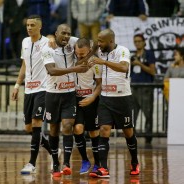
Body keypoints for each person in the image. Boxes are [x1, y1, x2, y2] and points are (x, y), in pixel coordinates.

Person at [90, 29, 140, 177]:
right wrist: (93, 49)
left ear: (111, 41)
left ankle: (135, 162)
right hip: (105, 98)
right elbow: (85, 58)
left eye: (101, 41)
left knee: (128, 132)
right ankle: (103, 168)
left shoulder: (123, 50)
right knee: (104, 130)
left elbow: (124, 67)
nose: (99, 44)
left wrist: (103, 61)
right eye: (98, 40)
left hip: (122, 98)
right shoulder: (99, 52)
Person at [42, 24, 89, 177]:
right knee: (53, 130)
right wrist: (74, 69)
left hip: (69, 94)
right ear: (56, 33)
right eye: (63, 33)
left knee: (67, 126)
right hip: (52, 94)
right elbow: (52, 71)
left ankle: (66, 163)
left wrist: (87, 56)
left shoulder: (72, 42)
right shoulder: (47, 49)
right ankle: (55, 161)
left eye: (69, 33)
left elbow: (90, 44)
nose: (67, 36)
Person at [11, 15, 53, 175]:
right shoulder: (25, 42)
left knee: (36, 123)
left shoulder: (46, 43)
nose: (29, 27)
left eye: (32, 25)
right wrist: (17, 85)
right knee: (28, 127)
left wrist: (52, 39)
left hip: (42, 89)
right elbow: (24, 65)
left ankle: (31, 163)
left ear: (40, 27)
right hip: (28, 89)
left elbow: (55, 41)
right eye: (27, 25)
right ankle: (54, 151)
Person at [73, 38, 102, 175]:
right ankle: (85, 160)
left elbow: (99, 84)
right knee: (78, 129)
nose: (79, 55)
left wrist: (92, 97)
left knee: (94, 132)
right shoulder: (71, 59)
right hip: (76, 99)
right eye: (77, 53)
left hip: (91, 99)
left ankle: (97, 163)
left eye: (82, 54)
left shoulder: (95, 62)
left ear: (89, 51)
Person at [130, 34, 156, 144]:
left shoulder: (149, 54)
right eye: (135, 41)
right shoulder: (133, 55)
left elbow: (153, 71)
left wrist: (139, 64)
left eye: (139, 41)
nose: (137, 43)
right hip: (134, 87)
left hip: (146, 87)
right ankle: (131, 137)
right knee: (132, 114)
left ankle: (148, 137)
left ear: (144, 42)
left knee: (148, 113)